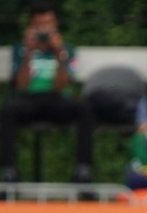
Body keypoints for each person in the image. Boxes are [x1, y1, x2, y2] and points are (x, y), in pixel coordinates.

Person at [0, 0, 94, 184]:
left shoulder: (67, 49)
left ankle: (83, 170)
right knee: (7, 110)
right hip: (28, 100)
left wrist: (59, 53)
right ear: (32, 26)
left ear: (55, 24)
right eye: (39, 25)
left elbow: (62, 86)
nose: (43, 30)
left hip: (56, 99)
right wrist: (28, 52)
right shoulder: (20, 49)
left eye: (47, 24)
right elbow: (21, 86)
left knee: (85, 108)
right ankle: (9, 172)